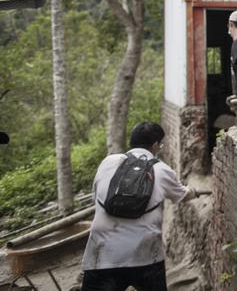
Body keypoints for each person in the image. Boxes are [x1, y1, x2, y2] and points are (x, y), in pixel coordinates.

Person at [81, 121, 196, 291]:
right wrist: (193, 191)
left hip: (103, 254)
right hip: (145, 255)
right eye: (161, 144)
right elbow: (182, 194)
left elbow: (96, 197)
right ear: (155, 145)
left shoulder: (107, 162)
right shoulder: (162, 170)